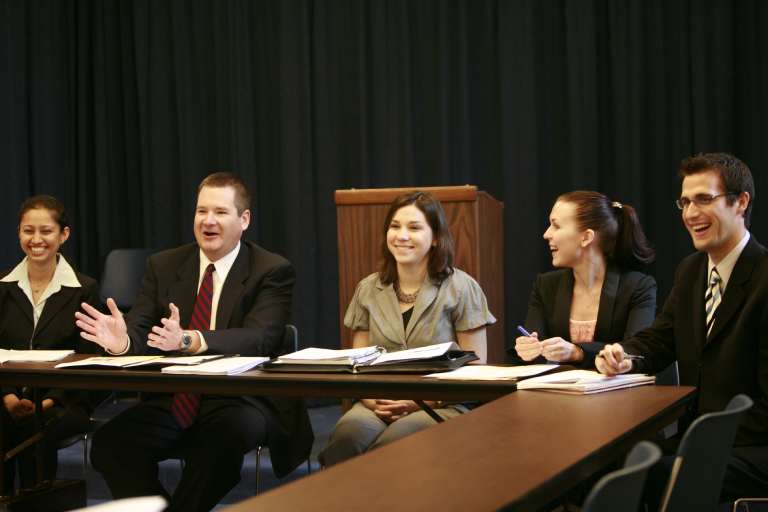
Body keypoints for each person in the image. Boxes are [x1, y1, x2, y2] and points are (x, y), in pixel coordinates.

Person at [76, 173, 313, 512]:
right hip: (178, 395)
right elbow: (141, 329)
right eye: (201, 211)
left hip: (243, 398)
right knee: (111, 444)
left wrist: (190, 339)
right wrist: (122, 341)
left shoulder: (271, 269)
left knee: (221, 439)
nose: (208, 221)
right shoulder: (165, 265)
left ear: (244, 219)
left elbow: (261, 337)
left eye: (220, 212)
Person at [596, 153, 768, 504]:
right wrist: (624, 355)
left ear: (741, 203)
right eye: (685, 202)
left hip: (754, 445)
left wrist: (704, 443)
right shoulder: (690, 270)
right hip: (703, 438)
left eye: (704, 199)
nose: (690, 214)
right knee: (610, 465)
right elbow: (660, 338)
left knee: (652, 476)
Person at [319, 191, 496, 467]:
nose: (401, 235)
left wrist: (419, 401)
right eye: (395, 226)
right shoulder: (368, 288)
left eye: (414, 228)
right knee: (346, 438)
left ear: (436, 237)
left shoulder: (462, 287)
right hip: (377, 401)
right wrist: (372, 399)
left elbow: (475, 369)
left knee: (395, 443)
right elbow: (358, 363)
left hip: (442, 403)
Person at [0, 195, 100, 490]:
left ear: (63, 235)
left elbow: (88, 356)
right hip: (6, 396)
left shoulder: (85, 289)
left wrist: (46, 400)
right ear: (18, 233)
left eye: (46, 231)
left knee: (36, 428)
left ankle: (36, 503)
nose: (36, 239)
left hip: (64, 398)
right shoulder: (2, 287)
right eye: (28, 231)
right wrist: (8, 397)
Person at [513, 190, 657, 366]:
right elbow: (537, 348)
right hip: (557, 391)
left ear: (586, 237)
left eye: (556, 226)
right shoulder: (545, 285)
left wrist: (578, 352)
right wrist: (528, 349)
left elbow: (636, 351)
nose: (546, 234)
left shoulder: (638, 287)